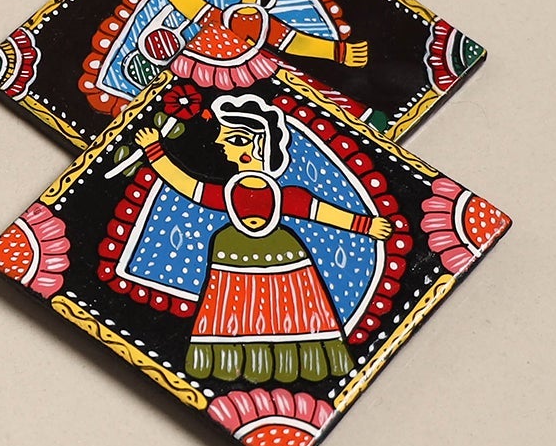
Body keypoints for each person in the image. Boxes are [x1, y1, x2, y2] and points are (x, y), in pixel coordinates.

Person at [134, 92, 391, 382]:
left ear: (254, 145)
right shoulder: (227, 193)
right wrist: (154, 150)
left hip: (283, 258)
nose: (218, 142)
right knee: (234, 310)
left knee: (290, 308)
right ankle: (235, 361)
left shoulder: (284, 195)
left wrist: (365, 226)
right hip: (231, 258)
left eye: (230, 138)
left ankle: (297, 359)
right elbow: (186, 184)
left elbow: (321, 212)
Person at [150, 0, 370, 87]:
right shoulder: (235, 14)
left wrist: (338, 52)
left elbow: (293, 41)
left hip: (243, 77)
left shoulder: (252, 17)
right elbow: (199, 11)